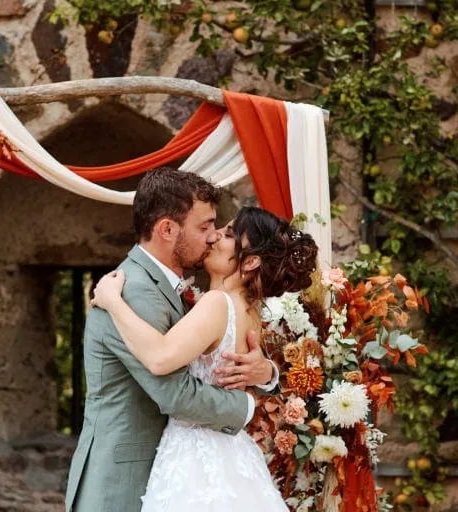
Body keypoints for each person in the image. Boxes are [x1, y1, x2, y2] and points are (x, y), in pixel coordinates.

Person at [64, 169, 282, 512]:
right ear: (167, 229)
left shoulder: (188, 291)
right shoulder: (133, 289)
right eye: (205, 226)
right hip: (123, 480)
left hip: (179, 472)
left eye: (218, 229)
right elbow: (172, 390)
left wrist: (267, 373)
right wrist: (247, 408)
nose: (212, 237)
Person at [92, 205, 318, 511]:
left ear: (250, 260)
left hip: (195, 458)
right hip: (229, 451)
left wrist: (112, 302)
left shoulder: (217, 304)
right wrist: (268, 372)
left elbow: (159, 359)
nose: (213, 238)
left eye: (227, 234)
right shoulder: (250, 309)